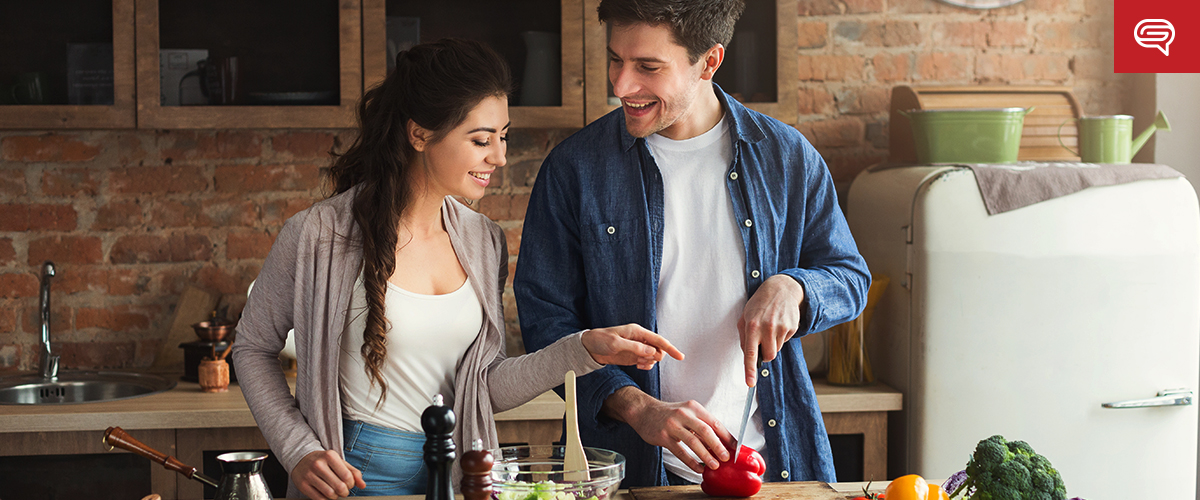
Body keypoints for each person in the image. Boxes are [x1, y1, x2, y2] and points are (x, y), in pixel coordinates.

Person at [233, 38, 682, 500]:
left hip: (458, 476)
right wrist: (297, 449)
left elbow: (483, 387)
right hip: (356, 478)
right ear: (420, 134)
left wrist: (584, 348)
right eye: (481, 139)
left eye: (503, 136)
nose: (500, 157)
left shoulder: (483, 241)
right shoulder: (318, 235)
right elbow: (251, 348)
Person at [514, 0, 871, 488]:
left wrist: (795, 287)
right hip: (629, 474)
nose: (620, 85)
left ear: (709, 62)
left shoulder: (786, 157)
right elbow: (546, 325)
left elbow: (850, 277)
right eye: (616, 59)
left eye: (648, 67)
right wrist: (638, 407)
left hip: (773, 467)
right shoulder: (574, 169)